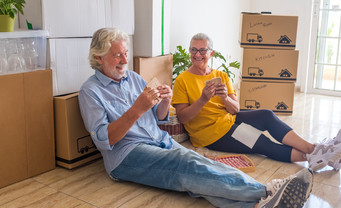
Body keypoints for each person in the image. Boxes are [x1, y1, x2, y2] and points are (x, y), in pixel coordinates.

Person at [78, 27, 313, 208]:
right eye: (117, 55)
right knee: (188, 166)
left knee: (202, 169)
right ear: (99, 58)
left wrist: (165, 102)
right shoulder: (91, 91)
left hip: (159, 141)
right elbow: (103, 140)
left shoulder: (134, 78)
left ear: (210, 53)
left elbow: (158, 119)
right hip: (126, 154)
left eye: (125, 53)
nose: (124, 60)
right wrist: (137, 109)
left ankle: (256, 204)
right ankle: (266, 191)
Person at [172, 32, 341, 172]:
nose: (197, 55)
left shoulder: (221, 75)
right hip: (210, 133)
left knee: (266, 115)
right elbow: (183, 117)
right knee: (261, 142)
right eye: (194, 50)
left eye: (202, 50)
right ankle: (318, 154)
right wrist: (203, 99)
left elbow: (235, 109)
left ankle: (315, 152)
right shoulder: (182, 79)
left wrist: (224, 98)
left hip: (229, 120)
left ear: (211, 53)